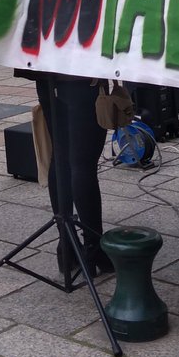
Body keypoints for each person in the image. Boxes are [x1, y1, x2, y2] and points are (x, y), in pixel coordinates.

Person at [22, 71, 113, 277]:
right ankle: (93, 249)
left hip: (46, 74)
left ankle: (67, 244)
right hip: (81, 76)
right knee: (83, 164)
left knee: (60, 157)